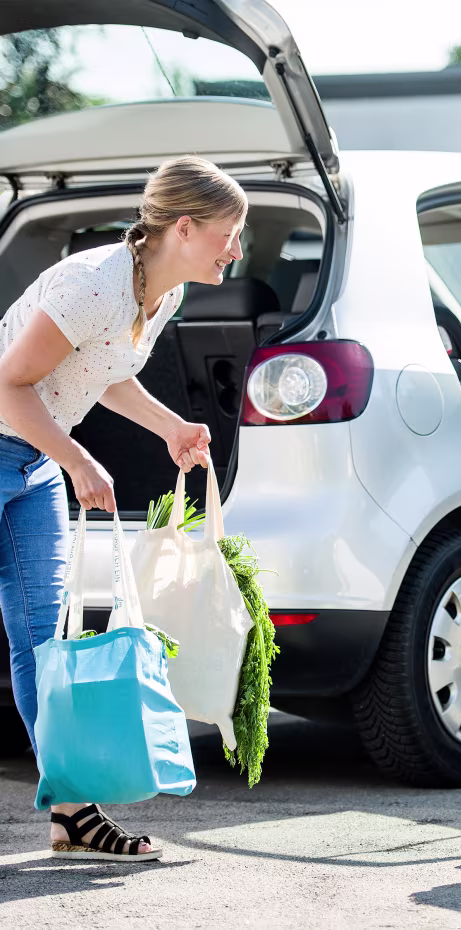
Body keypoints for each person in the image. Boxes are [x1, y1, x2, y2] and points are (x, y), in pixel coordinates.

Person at [0, 155, 247, 861]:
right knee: (38, 643)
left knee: (43, 645)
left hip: (33, 458)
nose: (237, 249)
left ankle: (72, 813)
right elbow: (8, 386)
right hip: (14, 438)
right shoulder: (92, 284)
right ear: (185, 226)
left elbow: (105, 374)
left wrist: (171, 427)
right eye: (230, 233)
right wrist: (78, 459)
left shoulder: (157, 295)